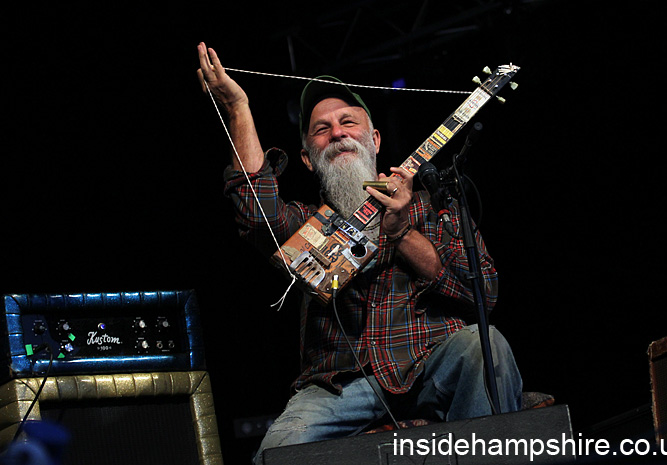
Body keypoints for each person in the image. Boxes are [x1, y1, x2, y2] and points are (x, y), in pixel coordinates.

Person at [196, 42, 522, 464]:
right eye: (322, 129)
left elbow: (484, 293)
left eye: (348, 122)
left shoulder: (433, 206)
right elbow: (256, 211)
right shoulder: (305, 223)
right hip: (339, 384)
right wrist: (238, 107)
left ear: (375, 139)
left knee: (485, 344)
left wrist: (402, 233)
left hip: (431, 360)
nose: (337, 133)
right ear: (307, 159)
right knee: (278, 451)